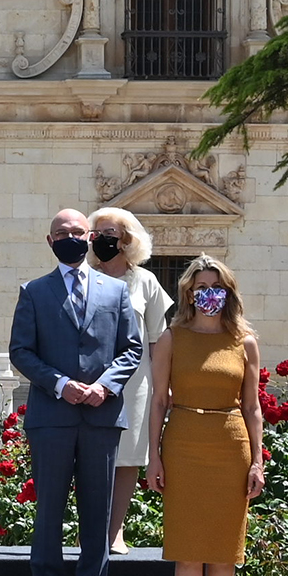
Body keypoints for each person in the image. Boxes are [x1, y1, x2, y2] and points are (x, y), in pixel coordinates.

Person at [9, 209, 144, 576]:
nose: (69, 237)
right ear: (50, 241)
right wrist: (60, 384)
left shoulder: (115, 291)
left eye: (76, 231)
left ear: (88, 237)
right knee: (49, 503)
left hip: (101, 414)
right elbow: (21, 351)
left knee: (97, 504)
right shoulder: (33, 291)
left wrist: (104, 386)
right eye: (61, 233)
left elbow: (132, 347)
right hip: (52, 415)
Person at [146, 256, 263, 576]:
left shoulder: (244, 341)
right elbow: (159, 401)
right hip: (183, 442)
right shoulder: (171, 338)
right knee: (189, 551)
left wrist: (258, 461)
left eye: (216, 286)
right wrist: (153, 456)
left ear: (228, 291)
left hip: (230, 444)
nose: (209, 294)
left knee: (222, 553)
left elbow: (253, 407)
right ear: (189, 292)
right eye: (201, 286)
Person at [88, 207, 173, 554]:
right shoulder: (83, 275)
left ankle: (115, 531)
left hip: (136, 383)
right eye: (97, 234)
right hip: (89, 380)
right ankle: (89, 532)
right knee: (89, 458)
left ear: (127, 240)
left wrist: (164, 386)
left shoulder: (146, 282)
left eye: (111, 234)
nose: (102, 240)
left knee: (127, 459)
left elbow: (158, 339)